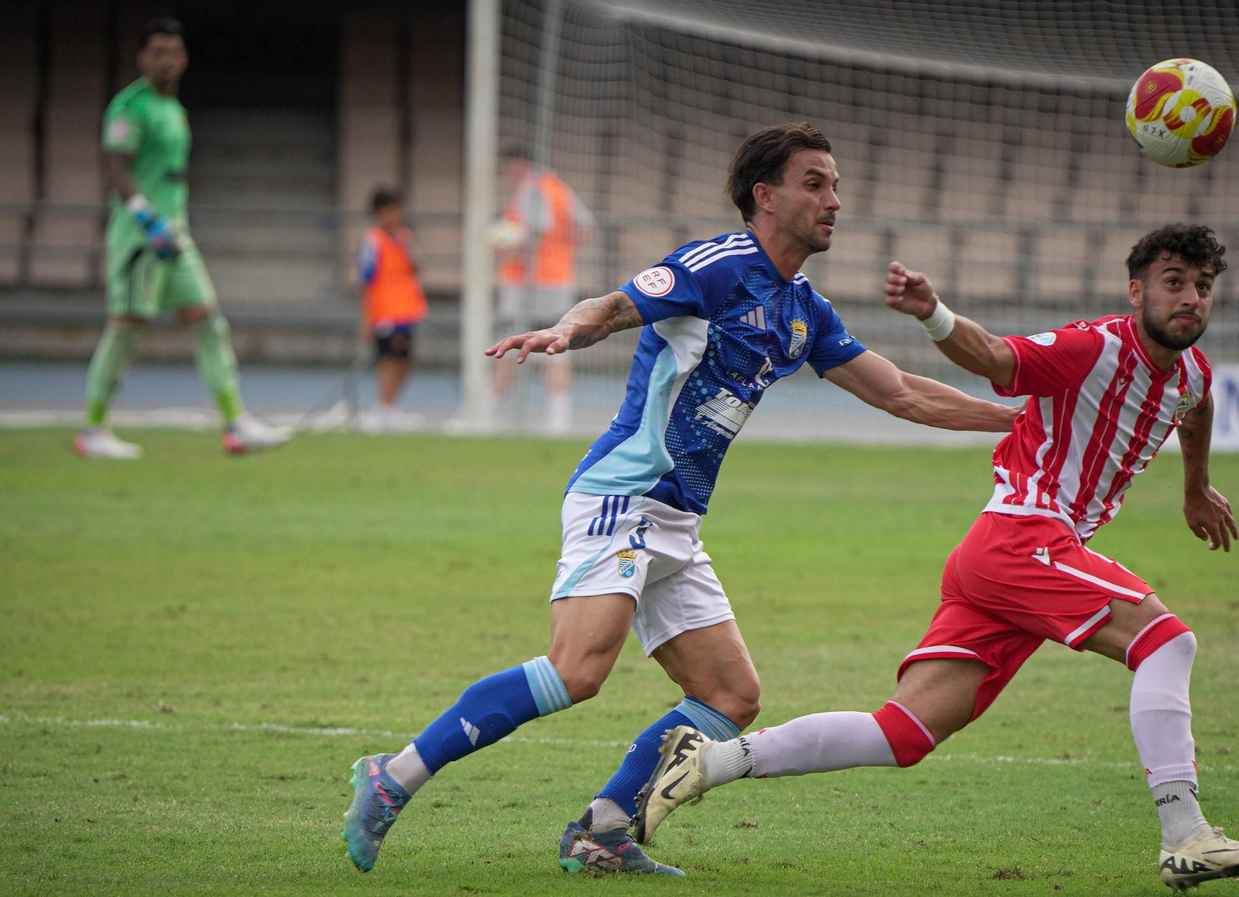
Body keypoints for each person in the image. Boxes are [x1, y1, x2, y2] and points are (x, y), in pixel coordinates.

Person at [341, 122, 1018, 876]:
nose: (834, 200)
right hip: (624, 494)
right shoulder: (719, 265)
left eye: (835, 185)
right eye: (815, 184)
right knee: (578, 669)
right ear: (765, 196)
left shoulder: (805, 310)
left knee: (729, 694)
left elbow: (901, 393)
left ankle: (602, 830)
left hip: (677, 519)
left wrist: (1020, 417)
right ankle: (392, 775)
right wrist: (567, 329)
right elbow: (615, 304)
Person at [632, 224, 1239, 893]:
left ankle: (709, 761)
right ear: (1137, 289)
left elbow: (1195, 404)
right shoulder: (1094, 346)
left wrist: (1196, 485)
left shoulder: (1189, 372)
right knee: (1167, 643)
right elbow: (999, 360)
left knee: (903, 733)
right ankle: (1186, 835)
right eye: (1173, 282)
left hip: (1006, 560)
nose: (1190, 299)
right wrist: (933, 313)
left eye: (1203, 287)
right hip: (1023, 538)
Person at [75, 17, 291, 459]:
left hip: (175, 235)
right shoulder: (129, 107)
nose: (167, 61)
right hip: (140, 237)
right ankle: (92, 429)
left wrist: (170, 224)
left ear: (185, 58)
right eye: (158, 52)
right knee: (127, 328)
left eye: (173, 52)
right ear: (142, 58)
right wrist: (147, 220)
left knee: (208, 321)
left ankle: (235, 424)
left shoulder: (175, 110)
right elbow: (116, 169)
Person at [491, 144, 594, 433]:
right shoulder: (559, 187)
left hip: (528, 282)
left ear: (521, 163)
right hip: (558, 278)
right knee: (557, 345)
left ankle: (491, 412)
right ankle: (558, 418)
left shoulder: (532, 187)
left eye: (511, 166)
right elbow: (585, 226)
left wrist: (507, 245)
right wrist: (561, 253)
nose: (509, 173)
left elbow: (536, 228)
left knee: (508, 342)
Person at [358, 187, 428, 431]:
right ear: (379, 212)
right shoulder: (372, 241)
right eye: (391, 210)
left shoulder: (404, 237)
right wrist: (366, 319)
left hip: (407, 310)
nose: (397, 215)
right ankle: (384, 409)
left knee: (406, 362)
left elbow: (417, 266)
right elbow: (366, 281)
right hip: (385, 312)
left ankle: (390, 407)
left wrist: (407, 247)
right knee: (388, 361)